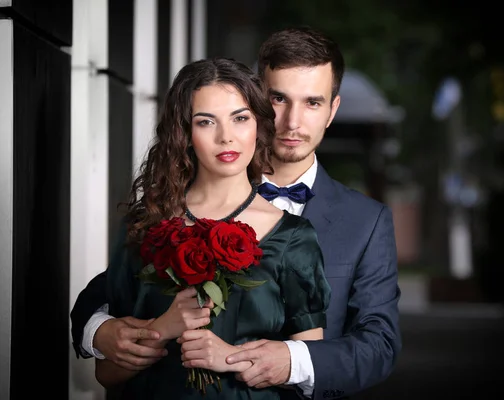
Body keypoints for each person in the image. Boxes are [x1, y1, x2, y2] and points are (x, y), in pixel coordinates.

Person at [71, 26, 401, 400]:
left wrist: (289, 360)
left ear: (331, 110)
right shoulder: (170, 209)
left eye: (312, 102)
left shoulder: (366, 222)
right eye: (278, 98)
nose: (292, 122)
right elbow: (106, 298)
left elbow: (380, 344)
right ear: (256, 96)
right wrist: (99, 331)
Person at [88, 57, 331, 399]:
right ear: (184, 132)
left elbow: (310, 373)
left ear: (259, 126)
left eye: (240, 118)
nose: (226, 137)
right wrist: (164, 327)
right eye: (206, 122)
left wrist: (228, 358)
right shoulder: (145, 226)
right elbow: (107, 375)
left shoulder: (295, 237)